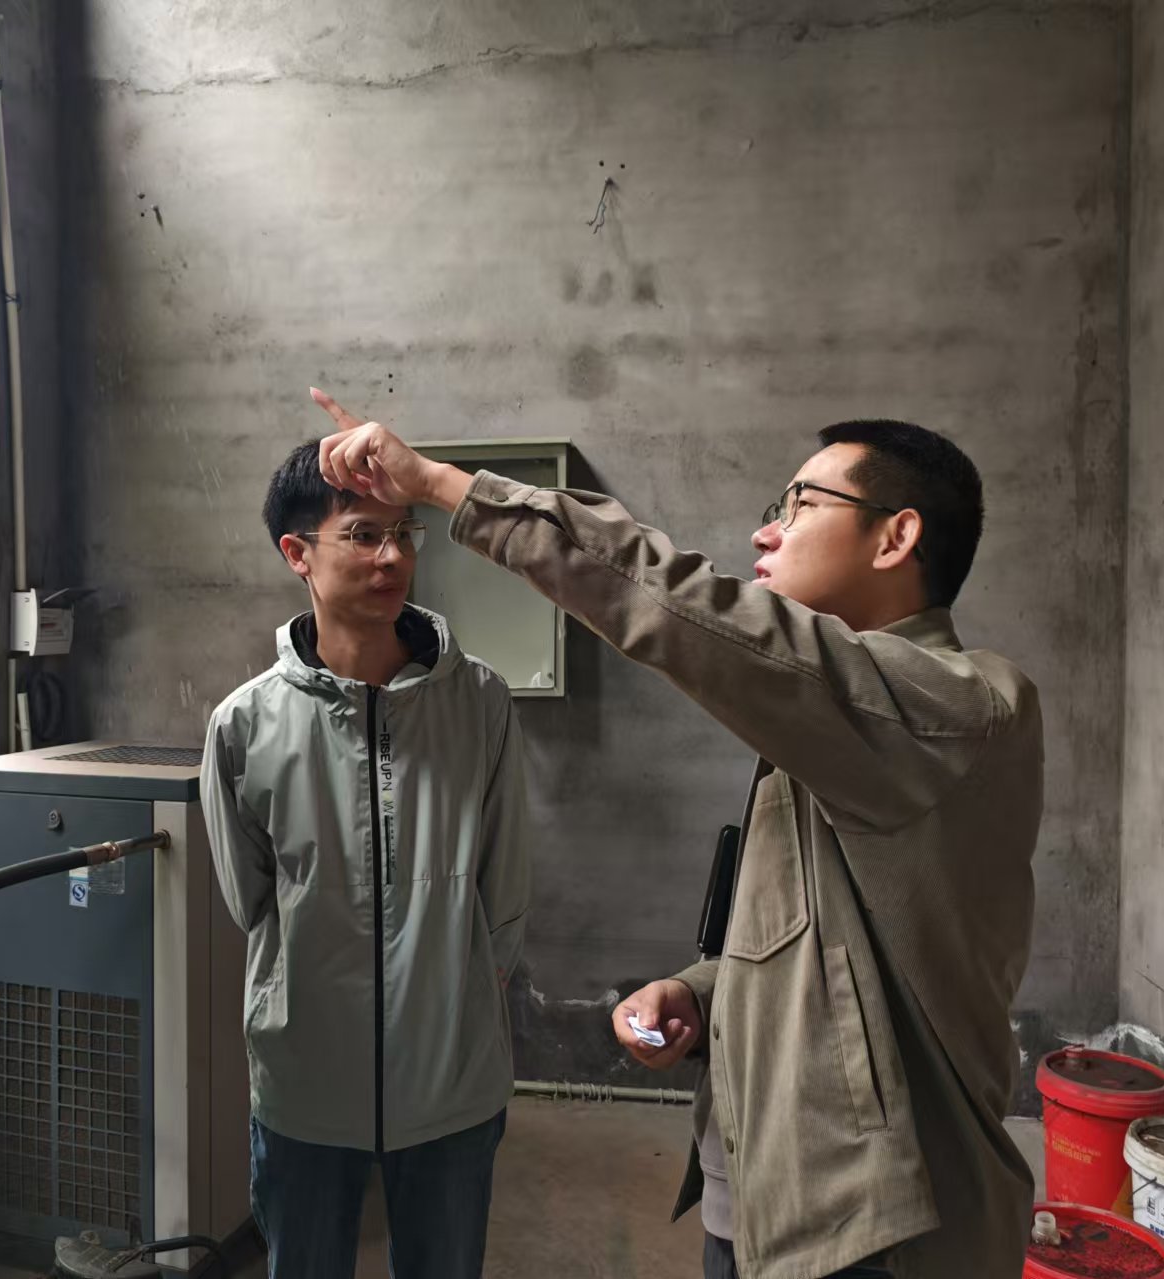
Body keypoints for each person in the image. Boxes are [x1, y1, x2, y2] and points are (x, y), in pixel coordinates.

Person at [308, 389, 1043, 1279]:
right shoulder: (839, 727)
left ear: (896, 537)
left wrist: (438, 484)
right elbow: (835, 946)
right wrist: (702, 991)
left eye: (801, 505)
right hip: (768, 1205)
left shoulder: (951, 706)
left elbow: (679, 606)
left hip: (874, 1237)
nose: (766, 531)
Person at [201, 440, 531, 1279]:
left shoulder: (479, 702)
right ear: (297, 552)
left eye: (404, 532)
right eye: (362, 534)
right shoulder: (244, 725)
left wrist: (459, 994)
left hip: (451, 1076)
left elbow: (504, 889)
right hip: (305, 1078)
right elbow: (251, 898)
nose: (393, 556)